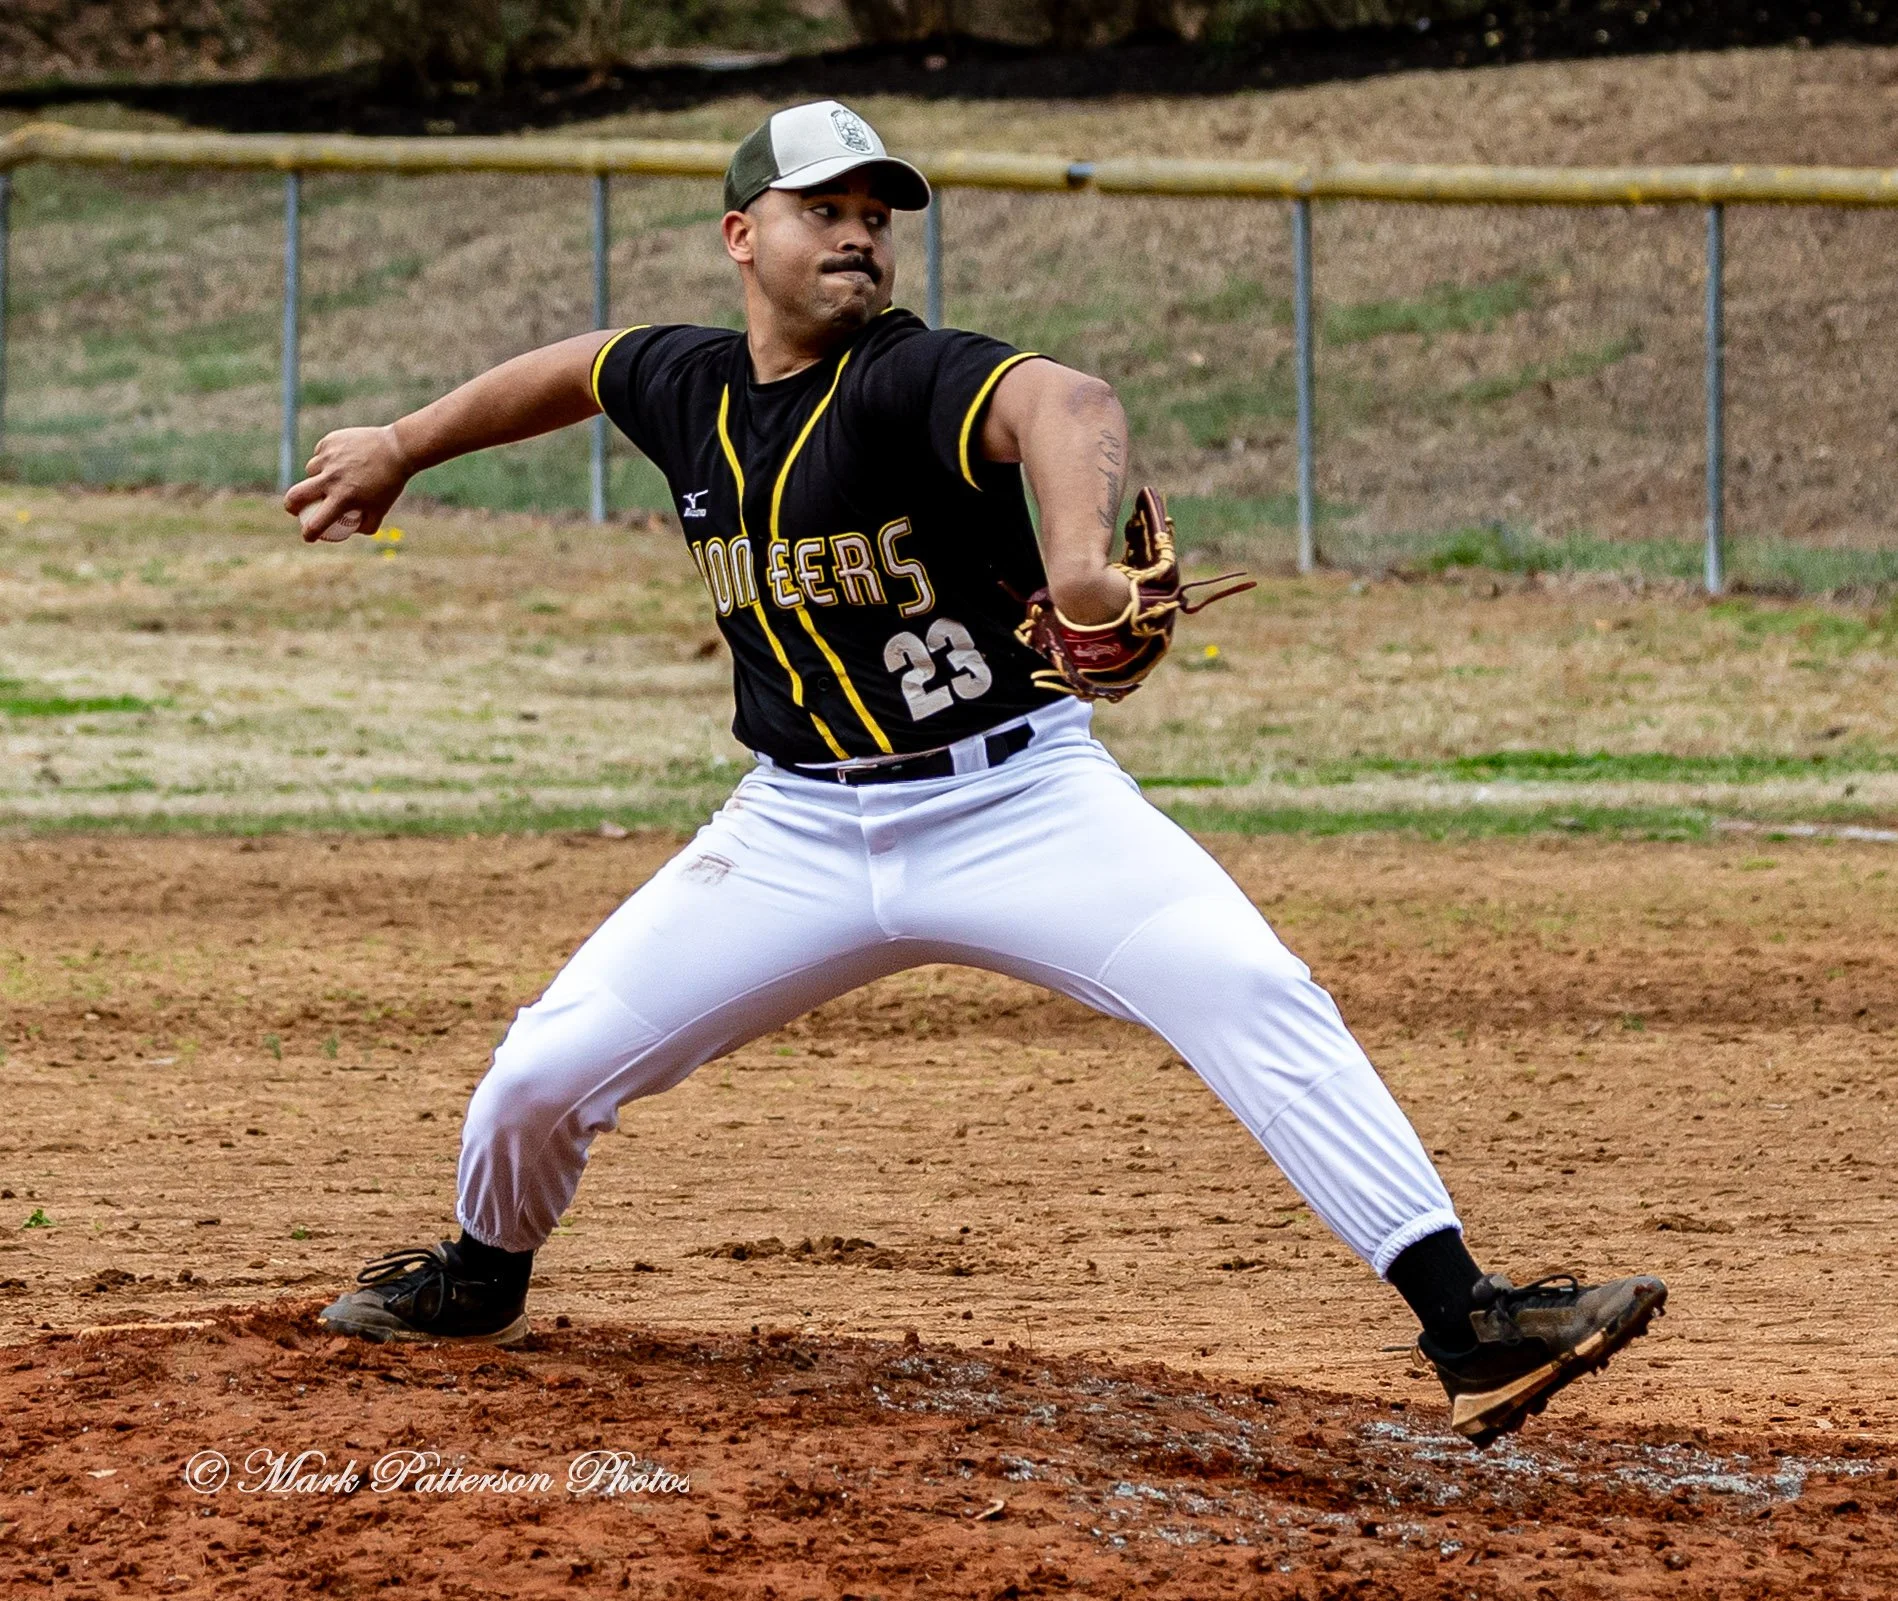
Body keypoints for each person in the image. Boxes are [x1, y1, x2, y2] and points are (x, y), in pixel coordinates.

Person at [289, 100, 1664, 1445]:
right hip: (794, 831)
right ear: (737, 235)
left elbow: (1067, 399)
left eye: (874, 215)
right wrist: (405, 444)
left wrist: (1076, 562)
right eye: (820, 209)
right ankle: (480, 1283)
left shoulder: (901, 375)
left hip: (1016, 802)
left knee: (1249, 989)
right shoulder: (687, 383)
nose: (855, 234)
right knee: (540, 1075)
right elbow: (577, 367)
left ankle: (1465, 1324)